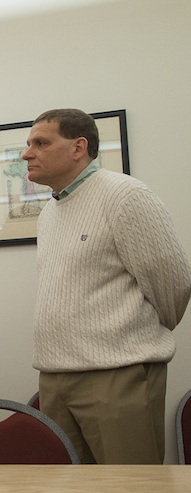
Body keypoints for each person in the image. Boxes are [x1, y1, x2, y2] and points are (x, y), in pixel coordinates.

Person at [23, 108, 191, 464]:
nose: (27, 153)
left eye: (40, 142)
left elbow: (173, 285)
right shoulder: (49, 213)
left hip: (116, 377)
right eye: (28, 144)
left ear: (78, 147)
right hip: (54, 378)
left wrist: (132, 335)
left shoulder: (125, 195)